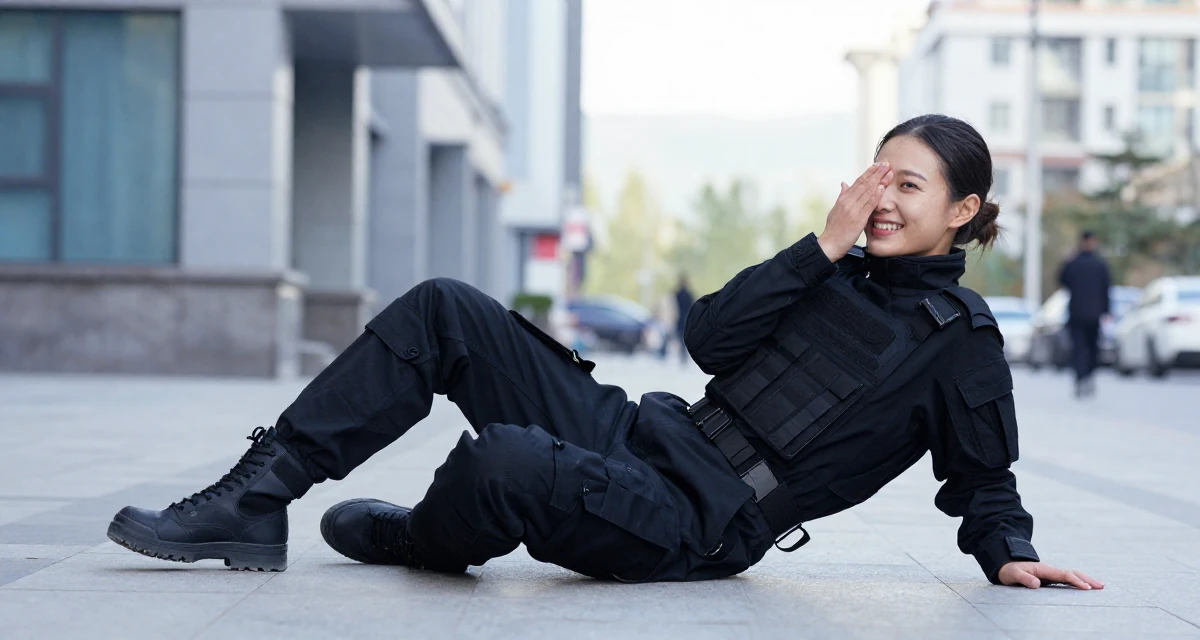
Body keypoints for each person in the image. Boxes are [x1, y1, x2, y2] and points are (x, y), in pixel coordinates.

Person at [107, 114, 1101, 591]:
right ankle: (254, 498)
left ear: (964, 211)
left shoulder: (959, 343)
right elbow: (708, 339)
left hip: (700, 521)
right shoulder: (826, 269)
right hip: (645, 434)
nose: (883, 199)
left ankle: (426, 535)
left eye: (911, 187)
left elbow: (986, 476)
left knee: (503, 459)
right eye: (876, 177)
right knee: (448, 307)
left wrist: (1006, 554)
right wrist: (818, 247)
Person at [1058, 230, 1112, 398]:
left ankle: (1083, 378)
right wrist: (1107, 310)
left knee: (1081, 348)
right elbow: (1106, 289)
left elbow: (1062, 280)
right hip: (1091, 314)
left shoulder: (1074, 263)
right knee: (1089, 348)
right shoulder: (1100, 264)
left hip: (1079, 313)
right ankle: (1085, 377)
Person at [674, 275, 696, 366]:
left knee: (682, 339)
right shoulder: (688, 294)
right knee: (684, 339)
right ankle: (684, 357)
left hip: (682, 319)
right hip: (685, 319)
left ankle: (684, 357)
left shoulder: (677, 294)